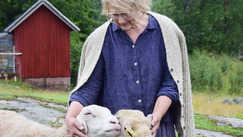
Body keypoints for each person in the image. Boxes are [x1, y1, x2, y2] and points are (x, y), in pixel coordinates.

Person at [65, 0, 195, 137]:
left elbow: (171, 82)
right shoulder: (100, 39)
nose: (120, 20)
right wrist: (71, 117)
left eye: (126, 14)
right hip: (118, 130)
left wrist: (156, 116)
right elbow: (88, 87)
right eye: (114, 15)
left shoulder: (167, 32)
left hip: (157, 129)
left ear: (140, 6)